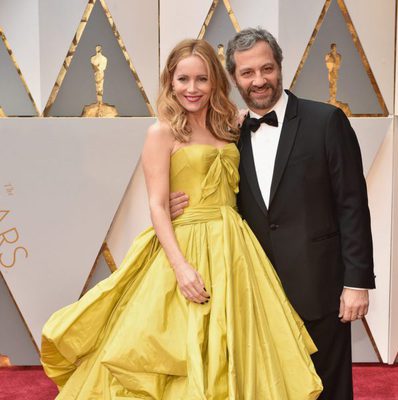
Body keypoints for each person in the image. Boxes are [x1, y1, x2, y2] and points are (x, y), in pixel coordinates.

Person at [41, 39, 323, 399]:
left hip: (235, 252)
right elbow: (157, 205)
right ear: (170, 82)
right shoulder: (161, 132)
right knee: (179, 350)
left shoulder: (232, 127)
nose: (192, 89)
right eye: (183, 79)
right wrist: (181, 267)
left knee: (237, 350)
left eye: (202, 79)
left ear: (215, 82)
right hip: (185, 248)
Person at [171, 28, 375, 400]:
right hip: (254, 290)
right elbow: (217, 196)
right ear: (234, 78)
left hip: (319, 289)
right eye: (247, 73)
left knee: (326, 390)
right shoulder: (227, 133)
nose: (259, 80)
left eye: (266, 69)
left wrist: (356, 282)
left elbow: (353, 205)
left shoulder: (326, 121)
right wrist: (178, 206)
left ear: (280, 67)